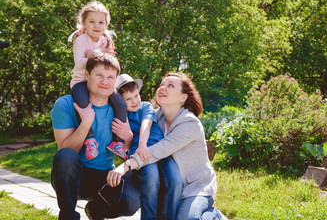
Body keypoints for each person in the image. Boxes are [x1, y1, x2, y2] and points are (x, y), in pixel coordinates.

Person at [107, 72, 223, 219]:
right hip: (169, 186)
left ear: (183, 97)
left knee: (187, 219)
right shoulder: (157, 115)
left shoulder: (190, 123)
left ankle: (215, 215)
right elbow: (136, 136)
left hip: (195, 188)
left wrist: (125, 166)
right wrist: (129, 138)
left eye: (170, 85)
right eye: (162, 84)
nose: (163, 88)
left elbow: (158, 150)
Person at [50, 54, 140, 220]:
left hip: (104, 176)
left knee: (131, 202)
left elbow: (130, 151)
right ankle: (68, 216)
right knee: (66, 156)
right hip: (73, 177)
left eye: (110, 77)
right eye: (99, 75)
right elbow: (66, 151)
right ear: (87, 75)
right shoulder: (65, 104)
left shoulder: (121, 109)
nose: (104, 82)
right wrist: (85, 123)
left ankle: (96, 211)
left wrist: (128, 138)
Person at [117, 73, 183, 219]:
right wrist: (137, 148)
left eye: (136, 95)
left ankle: (169, 217)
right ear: (120, 101)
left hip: (159, 151)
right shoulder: (122, 116)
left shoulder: (145, 106)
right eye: (128, 99)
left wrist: (142, 144)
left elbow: (145, 124)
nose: (134, 101)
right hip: (141, 154)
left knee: (176, 180)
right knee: (151, 179)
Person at [68, 1, 127, 160]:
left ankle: (117, 142)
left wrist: (94, 53)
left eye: (101, 22)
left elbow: (109, 63)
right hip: (81, 81)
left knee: (121, 104)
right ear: (84, 23)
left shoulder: (106, 40)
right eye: (92, 21)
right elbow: (80, 63)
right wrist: (97, 53)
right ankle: (90, 139)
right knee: (83, 104)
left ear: (106, 24)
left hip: (101, 82)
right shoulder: (81, 40)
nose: (96, 25)